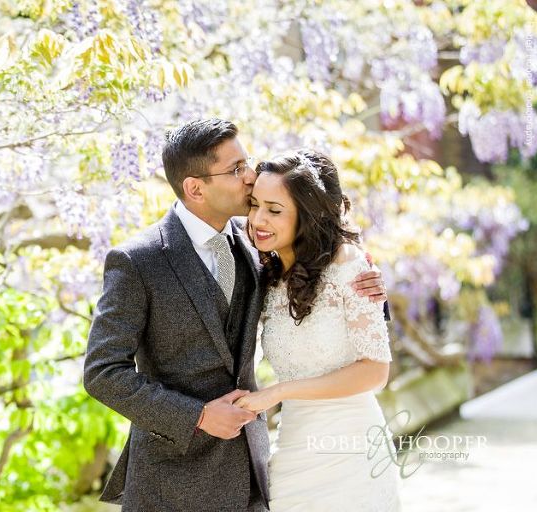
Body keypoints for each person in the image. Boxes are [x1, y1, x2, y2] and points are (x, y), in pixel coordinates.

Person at [83, 119, 387, 511]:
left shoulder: (256, 237)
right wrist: (197, 416)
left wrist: (371, 285)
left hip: (255, 473)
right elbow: (103, 372)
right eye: (236, 169)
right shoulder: (137, 261)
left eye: (248, 163)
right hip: (172, 481)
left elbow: (323, 250)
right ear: (195, 188)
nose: (251, 178)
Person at [235, 149, 401, 511]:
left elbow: (375, 370)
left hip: (352, 452)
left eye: (275, 210)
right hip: (294, 450)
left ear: (307, 215)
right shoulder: (267, 274)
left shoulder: (350, 265)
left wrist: (276, 392)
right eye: (253, 205)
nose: (259, 219)